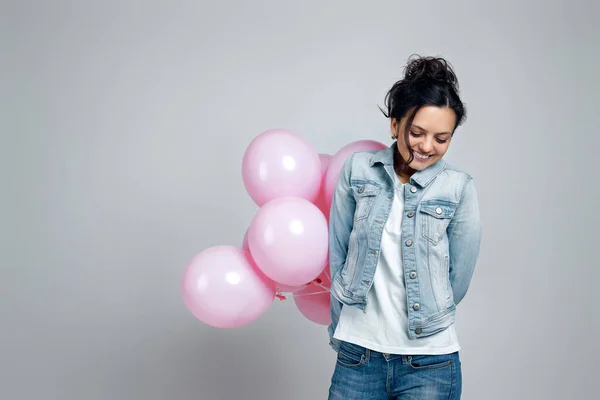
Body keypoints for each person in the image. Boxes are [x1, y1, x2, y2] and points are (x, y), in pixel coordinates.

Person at [327, 55, 482, 400]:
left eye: (441, 138)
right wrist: (343, 327)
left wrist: (428, 313)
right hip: (358, 354)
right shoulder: (358, 171)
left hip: (430, 363)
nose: (427, 147)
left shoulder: (458, 187)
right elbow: (338, 253)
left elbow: (458, 278)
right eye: (416, 132)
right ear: (395, 125)